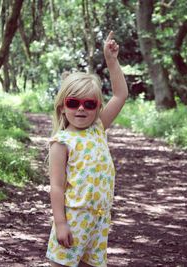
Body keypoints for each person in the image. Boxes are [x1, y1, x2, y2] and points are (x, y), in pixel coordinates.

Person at [46, 31, 128, 267]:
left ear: (97, 107)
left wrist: (111, 61)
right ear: (62, 107)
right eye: (73, 103)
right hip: (74, 217)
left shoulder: (98, 127)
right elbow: (57, 187)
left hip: (100, 219)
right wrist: (61, 223)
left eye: (89, 104)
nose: (81, 109)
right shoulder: (61, 141)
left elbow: (121, 94)